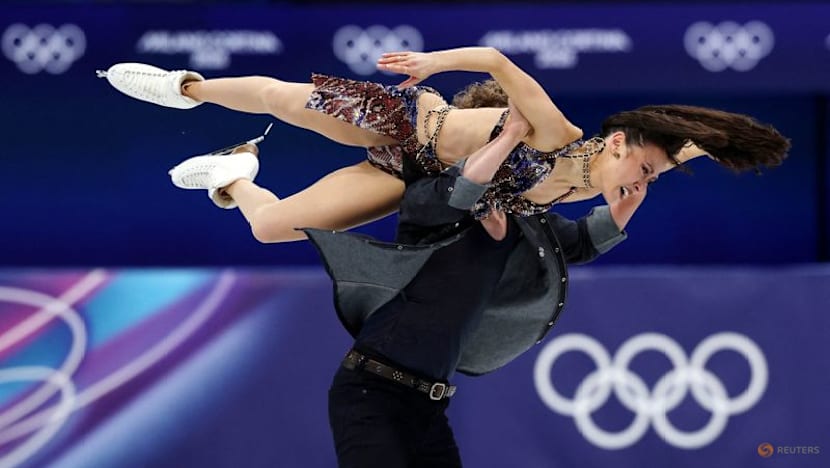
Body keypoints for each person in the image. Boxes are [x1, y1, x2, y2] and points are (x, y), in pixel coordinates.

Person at [168, 102, 637, 467]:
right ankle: (235, 176)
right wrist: (509, 136)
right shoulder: (429, 197)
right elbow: (458, 192)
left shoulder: (525, 219)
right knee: (268, 225)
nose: (520, 161)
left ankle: (235, 177)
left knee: (267, 224)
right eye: (505, 145)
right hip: (372, 393)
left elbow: (578, 243)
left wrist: (624, 204)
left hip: (428, 406)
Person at [98, 46, 789, 243]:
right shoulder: (560, 135)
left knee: (271, 228)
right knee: (283, 99)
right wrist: (433, 64)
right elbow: (495, 61)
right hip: (404, 123)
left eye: (654, 177)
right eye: (641, 166)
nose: (643, 181)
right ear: (614, 143)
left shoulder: (607, 182)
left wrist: (724, 146)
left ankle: (235, 172)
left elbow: (693, 143)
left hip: (412, 180)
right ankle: (187, 87)